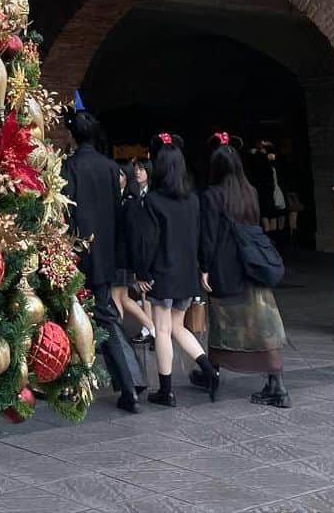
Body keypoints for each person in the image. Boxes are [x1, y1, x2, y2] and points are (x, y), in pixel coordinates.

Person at [198, 134, 291, 408]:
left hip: (226, 268)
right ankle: (276, 382)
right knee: (262, 324)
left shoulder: (212, 195)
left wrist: (204, 267)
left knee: (224, 323)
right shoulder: (249, 191)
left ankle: (212, 371)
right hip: (253, 265)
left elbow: (209, 237)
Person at [63, 103, 144, 413]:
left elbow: (67, 212)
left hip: (77, 256)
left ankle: (78, 386)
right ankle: (127, 387)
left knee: (75, 318)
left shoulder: (69, 167)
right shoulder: (112, 168)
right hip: (105, 257)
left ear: (72, 135)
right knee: (104, 318)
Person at [132, 132, 218, 406]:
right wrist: (202, 267)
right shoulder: (193, 200)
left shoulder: (153, 201)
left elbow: (148, 242)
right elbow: (201, 237)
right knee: (179, 327)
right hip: (186, 274)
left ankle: (166, 390)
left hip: (162, 273)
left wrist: (142, 273)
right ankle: (208, 370)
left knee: (163, 329)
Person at [113, 162, 155, 343]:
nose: (117, 178)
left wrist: (139, 267)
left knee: (116, 297)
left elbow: (133, 236)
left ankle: (117, 339)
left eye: (121, 174)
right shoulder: (125, 199)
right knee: (123, 298)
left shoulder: (130, 202)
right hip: (123, 257)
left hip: (122, 258)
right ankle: (152, 329)